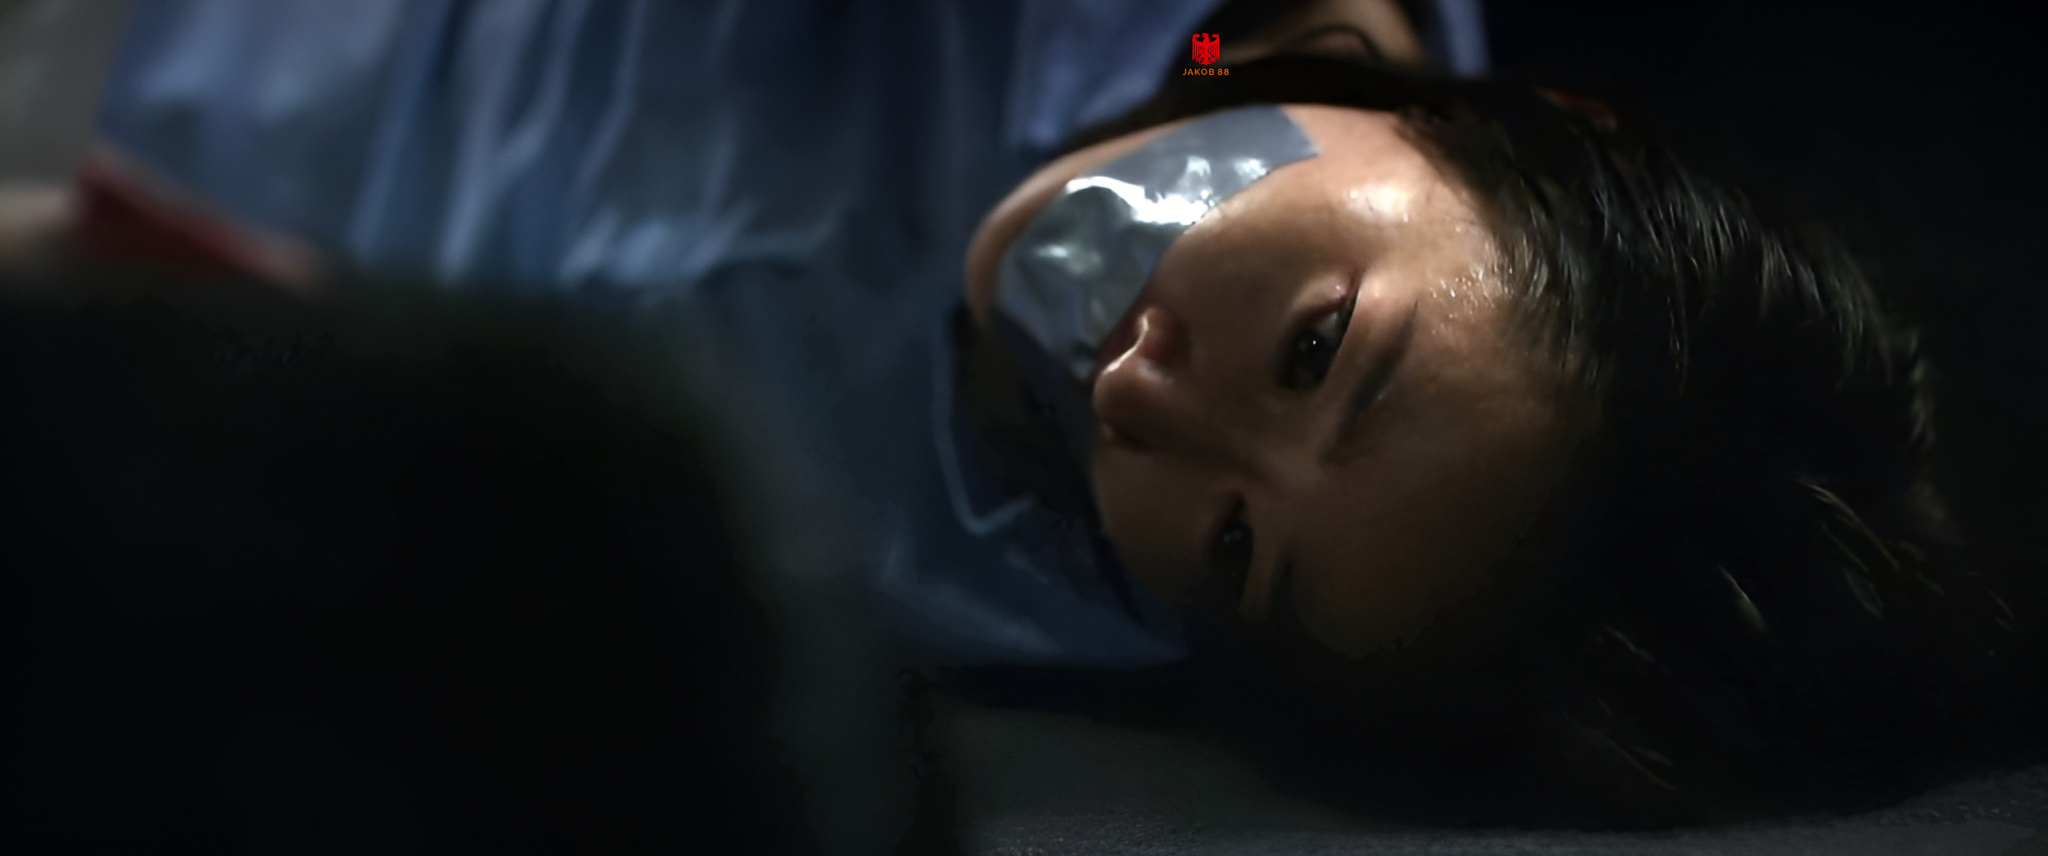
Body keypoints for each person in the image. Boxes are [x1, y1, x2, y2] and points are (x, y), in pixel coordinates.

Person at [46, 0, 2043, 829]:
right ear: (1514, 132)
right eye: (1315, 348)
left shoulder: (1068, 592)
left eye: (1240, 547)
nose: (1146, 403)